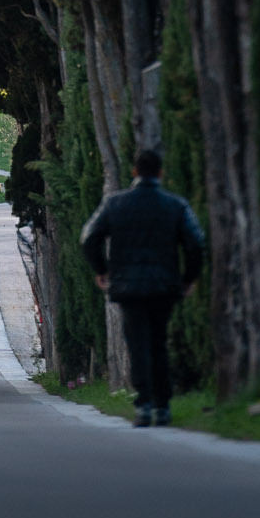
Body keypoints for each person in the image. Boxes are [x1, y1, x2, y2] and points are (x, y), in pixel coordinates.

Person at [80, 148, 205, 427]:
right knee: (158, 342)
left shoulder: (115, 204)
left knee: (138, 345)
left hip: (128, 287)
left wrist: (101, 270)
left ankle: (144, 404)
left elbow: (89, 237)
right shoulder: (176, 205)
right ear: (160, 173)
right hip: (164, 286)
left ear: (135, 172)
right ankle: (163, 406)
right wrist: (188, 278)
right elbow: (196, 243)